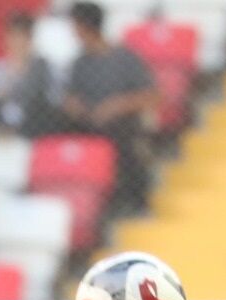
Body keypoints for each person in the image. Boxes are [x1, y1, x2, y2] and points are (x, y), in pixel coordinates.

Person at [63, 2, 158, 212]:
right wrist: (75, 105)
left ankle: (130, 200)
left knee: (121, 132)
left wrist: (117, 105)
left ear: (85, 27)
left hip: (120, 125)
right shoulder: (79, 63)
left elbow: (152, 96)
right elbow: (69, 97)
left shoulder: (125, 58)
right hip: (87, 124)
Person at [0, 11, 58, 136]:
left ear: (30, 39)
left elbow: (53, 98)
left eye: (22, 37)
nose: (17, 42)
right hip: (1, 123)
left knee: (39, 66)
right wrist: (12, 74)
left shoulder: (43, 67)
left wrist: (26, 69)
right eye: (13, 36)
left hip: (33, 124)